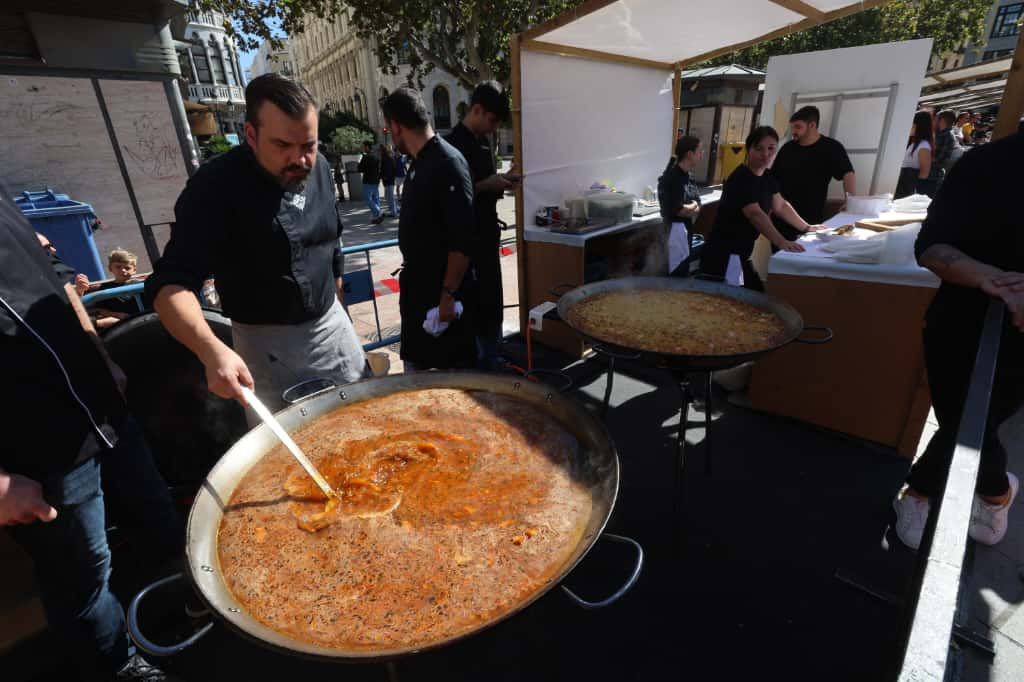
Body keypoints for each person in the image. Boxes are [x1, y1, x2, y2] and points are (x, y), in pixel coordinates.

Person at [1, 187, 182, 680]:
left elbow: (57, 282)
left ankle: (169, 618)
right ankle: (118, 666)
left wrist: (101, 356)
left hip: (99, 403)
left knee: (156, 517)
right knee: (81, 574)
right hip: (33, 445)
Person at [145, 73, 365, 417]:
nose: (300, 160)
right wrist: (210, 349)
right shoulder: (214, 186)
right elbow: (170, 286)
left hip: (333, 328)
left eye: (308, 145)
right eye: (283, 146)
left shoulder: (320, 167)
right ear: (251, 135)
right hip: (264, 347)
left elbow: (330, 249)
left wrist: (343, 314)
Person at [892, 132, 1024, 551]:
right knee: (960, 420)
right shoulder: (984, 163)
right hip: (957, 323)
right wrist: (994, 280)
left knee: (977, 424)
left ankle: (921, 490)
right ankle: (996, 490)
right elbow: (930, 246)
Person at [380, 87, 476, 371]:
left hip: (440, 299)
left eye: (389, 130)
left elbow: (462, 241)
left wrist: (448, 295)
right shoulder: (418, 161)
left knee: (447, 383)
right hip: (418, 294)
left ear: (396, 125)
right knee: (416, 377)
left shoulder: (448, 162)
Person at [445, 80, 518, 370]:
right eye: (491, 120)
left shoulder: (484, 143)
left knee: (492, 303)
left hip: (488, 237)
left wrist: (505, 179)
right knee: (474, 308)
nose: (493, 127)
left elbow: (486, 184)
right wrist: (489, 184)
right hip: (467, 245)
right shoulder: (452, 146)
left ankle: (493, 355)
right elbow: (453, 196)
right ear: (476, 109)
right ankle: (478, 365)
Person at [700, 126, 824, 291]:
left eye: (771, 149)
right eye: (759, 149)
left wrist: (807, 227)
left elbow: (781, 206)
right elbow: (755, 214)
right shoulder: (740, 178)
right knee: (735, 301)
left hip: (741, 254)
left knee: (752, 297)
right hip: (723, 256)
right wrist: (781, 242)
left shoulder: (767, 177)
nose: (765, 154)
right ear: (748, 149)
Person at [770, 106, 855, 249]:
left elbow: (848, 174)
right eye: (793, 127)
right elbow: (772, 180)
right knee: (779, 257)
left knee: (805, 256)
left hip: (811, 219)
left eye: (798, 127)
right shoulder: (787, 149)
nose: (794, 131)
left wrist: (850, 200)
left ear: (812, 125)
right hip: (782, 218)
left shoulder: (831, 148)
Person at [657, 135, 704, 277]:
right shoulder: (671, 178)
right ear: (689, 154)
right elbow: (679, 211)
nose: (702, 154)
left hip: (686, 232)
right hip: (673, 234)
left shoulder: (689, 176)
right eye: (699, 151)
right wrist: (693, 206)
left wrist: (693, 206)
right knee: (673, 274)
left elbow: (698, 203)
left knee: (683, 272)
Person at [74, 249, 144, 330]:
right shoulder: (105, 288)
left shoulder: (141, 285)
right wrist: (117, 314)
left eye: (127, 268)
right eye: (118, 267)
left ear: (134, 270)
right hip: (119, 325)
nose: (123, 270)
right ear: (110, 268)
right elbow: (100, 309)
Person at [895, 111, 935, 198]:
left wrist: (908, 177)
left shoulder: (924, 146)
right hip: (903, 186)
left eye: (912, 125)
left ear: (919, 126)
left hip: (906, 189)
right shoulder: (915, 143)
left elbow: (924, 173)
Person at [932, 109, 962, 180]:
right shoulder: (940, 133)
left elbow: (938, 159)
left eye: (935, 119)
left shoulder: (947, 136)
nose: (933, 121)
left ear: (942, 121)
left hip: (932, 176)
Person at [358, 140, 383, 225]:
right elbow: (379, 168)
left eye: (363, 146)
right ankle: (377, 217)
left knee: (367, 198)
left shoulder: (366, 157)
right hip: (375, 181)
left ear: (367, 147)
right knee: (375, 199)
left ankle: (378, 212)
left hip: (368, 181)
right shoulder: (376, 156)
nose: (362, 148)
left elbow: (359, 169)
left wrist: (362, 159)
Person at [380, 144, 399, 218]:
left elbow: (388, 170)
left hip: (389, 180)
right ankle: (395, 210)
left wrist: (385, 177)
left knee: (389, 197)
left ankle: (394, 212)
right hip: (389, 180)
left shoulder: (388, 158)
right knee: (388, 197)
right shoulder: (390, 158)